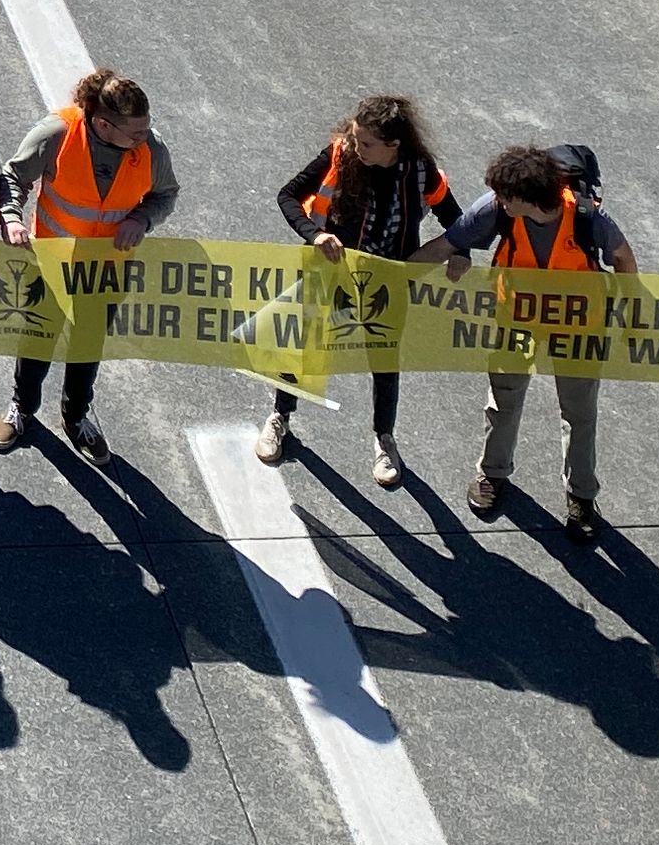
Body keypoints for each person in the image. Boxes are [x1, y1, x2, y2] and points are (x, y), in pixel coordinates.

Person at [419, 142, 638, 543]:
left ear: (526, 198)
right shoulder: (497, 209)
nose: (496, 201)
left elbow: (623, 257)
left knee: (579, 412)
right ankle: (492, 473)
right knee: (503, 400)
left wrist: (631, 310)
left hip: (577, 326)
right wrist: (388, 276)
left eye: (504, 195)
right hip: (515, 318)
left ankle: (582, 497)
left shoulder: (588, 217)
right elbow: (446, 244)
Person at [258, 93, 457, 489]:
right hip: (331, 275)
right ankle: (281, 415)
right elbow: (287, 195)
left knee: (384, 363)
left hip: (386, 284)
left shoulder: (421, 172)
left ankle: (384, 439)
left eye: (366, 143)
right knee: (304, 347)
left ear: (393, 145)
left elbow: (455, 218)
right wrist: (315, 235)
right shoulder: (340, 153)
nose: (357, 147)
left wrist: (461, 252)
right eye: (355, 137)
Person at [0, 68, 178, 460]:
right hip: (52, 263)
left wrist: (140, 220)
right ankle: (22, 406)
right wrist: (9, 216)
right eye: (136, 133)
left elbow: (165, 195)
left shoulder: (151, 150)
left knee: (87, 345)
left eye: (146, 129)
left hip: (106, 270)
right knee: (38, 336)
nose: (145, 138)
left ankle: (75, 417)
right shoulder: (56, 134)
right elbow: (13, 177)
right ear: (103, 125)